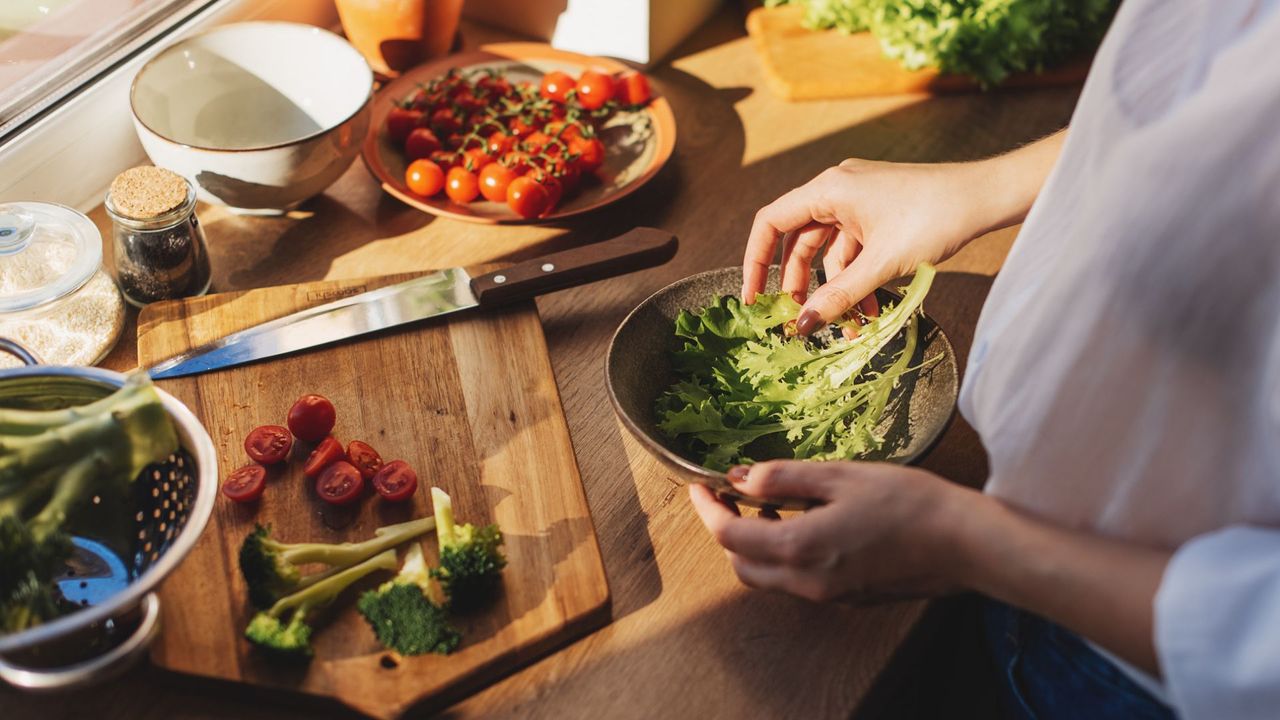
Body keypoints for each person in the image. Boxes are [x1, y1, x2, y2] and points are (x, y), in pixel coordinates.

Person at [689, 0, 1280, 718]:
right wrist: (983, 186)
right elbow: (1202, 116)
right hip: (1012, 548)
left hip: (1130, 678)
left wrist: (968, 544)